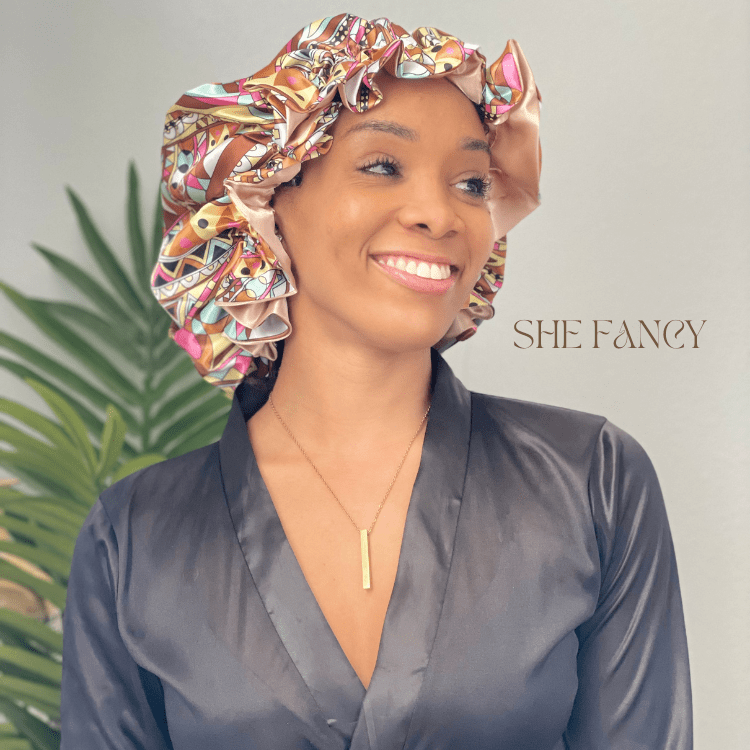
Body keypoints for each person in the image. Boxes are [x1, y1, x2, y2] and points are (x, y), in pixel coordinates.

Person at [60, 13, 693, 749]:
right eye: (383, 166)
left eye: (471, 182)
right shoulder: (135, 537)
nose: (438, 214)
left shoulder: (592, 483)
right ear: (265, 197)